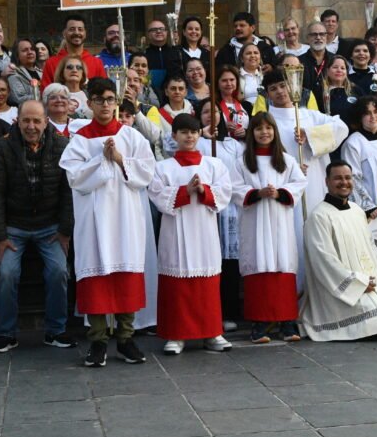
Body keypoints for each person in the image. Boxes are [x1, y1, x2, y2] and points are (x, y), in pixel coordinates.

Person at [61, 78, 155, 367]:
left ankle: (126, 338)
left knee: (125, 275)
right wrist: (102, 160)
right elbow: (74, 177)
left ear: (117, 103)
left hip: (126, 217)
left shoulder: (132, 137)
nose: (105, 104)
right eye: (99, 99)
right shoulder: (80, 139)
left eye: (110, 99)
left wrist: (119, 159)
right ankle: (98, 340)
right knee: (97, 278)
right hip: (94, 220)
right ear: (89, 104)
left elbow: (147, 172)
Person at [300, 161, 377, 341]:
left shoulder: (357, 210)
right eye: (338, 178)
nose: (344, 182)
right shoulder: (319, 216)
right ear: (327, 181)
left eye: (347, 178)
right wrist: (357, 284)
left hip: (372, 279)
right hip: (343, 289)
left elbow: (371, 248)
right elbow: (324, 262)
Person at [0, 100, 75, 353]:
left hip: (50, 226)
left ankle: (56, 331)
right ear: (18, 121)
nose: (31, 126)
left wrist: (65, 231)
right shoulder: (4, 146)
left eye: (37, 120)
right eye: (26, 120)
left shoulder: (61, 145)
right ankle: (6, 333)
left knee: (59, 272)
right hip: (14, 227)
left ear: (46, 121)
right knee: (6, 274)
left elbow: (68, 192)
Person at [148, 113, 234, 355]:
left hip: (204, 231)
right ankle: (177, 334)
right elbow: (157, 195)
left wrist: (204, 190)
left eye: (194, 132)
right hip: (175, 232)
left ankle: (212, 332)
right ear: (174, 136)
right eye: (184, 132)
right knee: (177, 285)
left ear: (200, 134)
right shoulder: (163, 167)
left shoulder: (213, 164)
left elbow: (224, 193)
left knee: (207, 283)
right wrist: (185, 191)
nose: (189, 136)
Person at [232, 112, 306, 343]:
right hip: (255, 221)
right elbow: (233, 188)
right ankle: (260, 324)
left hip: (280, 220)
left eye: (268, 128)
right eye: (258, 129)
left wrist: (280, 193)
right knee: (259, 265)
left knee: (282, 265)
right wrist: (256, 193)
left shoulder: (286, 160)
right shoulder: (243, 162)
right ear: (251, 133)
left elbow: (299, 182)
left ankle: (287, 322)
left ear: (274, 131)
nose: (264, 132)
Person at [260, 69, 349, 222]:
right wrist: (290, 169)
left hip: (314, 178)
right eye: (273, 89)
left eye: (283, 85)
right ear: (267, 95)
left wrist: (310, 135)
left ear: (291, 86)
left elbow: (342, 128)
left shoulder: (309, 115)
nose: (280, 91)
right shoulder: (266, 123)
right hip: (285, 183)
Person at [42, 15, 107, 85]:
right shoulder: (51, 63)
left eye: (80, 29)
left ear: (85, 33)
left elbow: (104, 91)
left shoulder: (97, 63)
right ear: (64, 33)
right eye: (72, 29)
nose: (76, 33)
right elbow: (45, 93)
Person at [142, 18, 182, 91]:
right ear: (148, 34)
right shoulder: (144, 54)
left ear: (167, 32)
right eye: (154, 29)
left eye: (162, 29)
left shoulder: (176, 52)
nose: (158, 31)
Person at [319, 55, 357, 121]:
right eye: (335, 67)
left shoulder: (355, 90)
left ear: (346, 72)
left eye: (342, 68)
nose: (339, 70)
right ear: (327, 71)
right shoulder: (319, 91)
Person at [6, 38, 42, 105]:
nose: (30, 52)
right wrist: (44, 95)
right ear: (17, 55)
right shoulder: (13, 74)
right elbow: (18, 99)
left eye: (32, 49)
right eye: (25, 50)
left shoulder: (41, 72)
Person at [299, 22, 331, 94]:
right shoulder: (299, 61)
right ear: (307, 38)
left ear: (326, 37)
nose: (318, 37)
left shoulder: (335, 60)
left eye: (322, 34)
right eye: (314, 34)